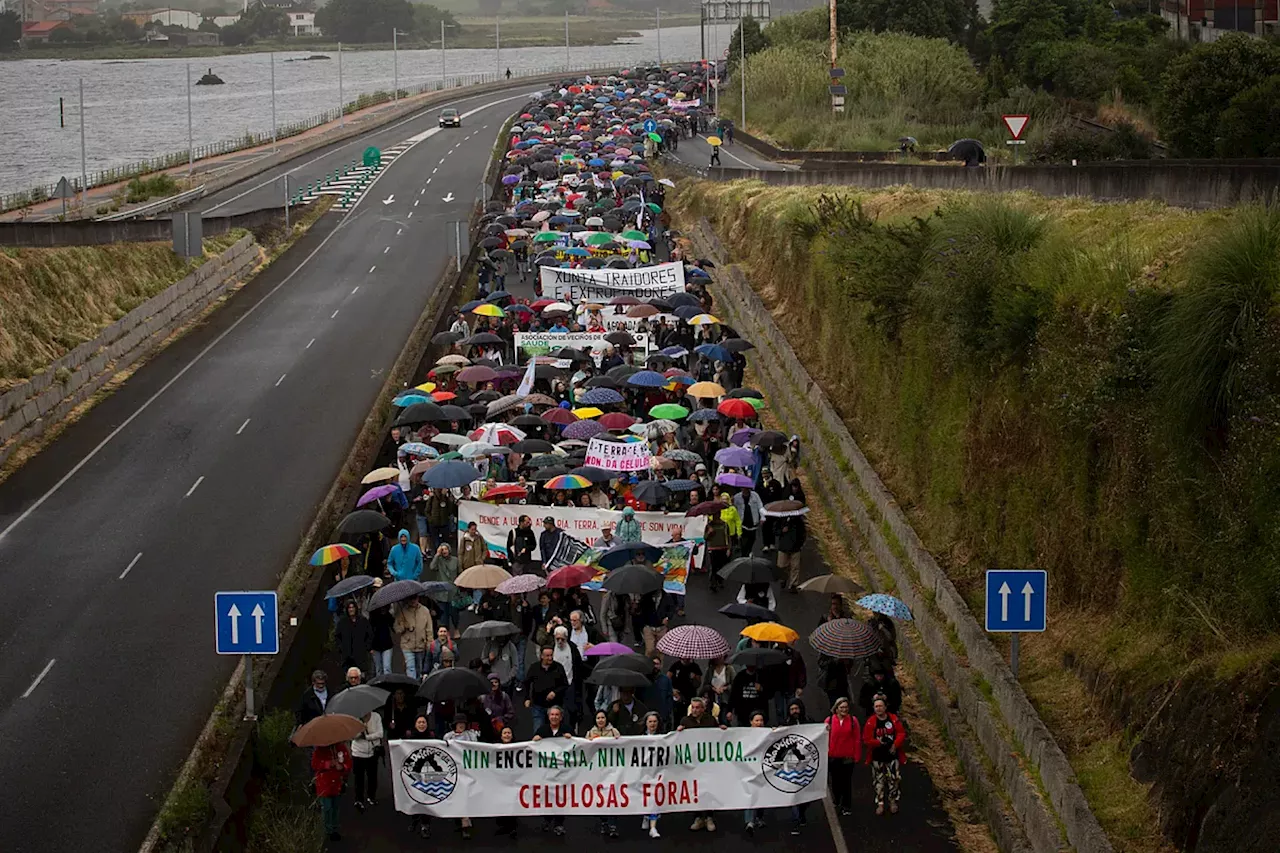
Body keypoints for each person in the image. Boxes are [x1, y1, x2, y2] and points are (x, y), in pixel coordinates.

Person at [677, 697, 725, 831]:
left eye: (698, 707)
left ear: (703, 709)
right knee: (695, 789)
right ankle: (698, 817)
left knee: (709, 788)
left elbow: (718, 736)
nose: (695, 710)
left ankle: (709, 817)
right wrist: (679, 732)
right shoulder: (685, 721)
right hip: (692, 762)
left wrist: (722, 730)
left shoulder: (710, 720)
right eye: (693, 707)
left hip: (708, 761)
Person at [532, 706, 573, 835]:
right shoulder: (542, 730)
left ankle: (559, 824)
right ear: (548, 716)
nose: (554, 717)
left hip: (562, 771)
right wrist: (535, 740)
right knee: (547, 796)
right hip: (547, 771)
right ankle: (547, 820)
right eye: (552, 714)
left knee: (561, 797)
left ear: (561, 717)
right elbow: (533, 748)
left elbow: (578, 747)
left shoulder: (567, 729)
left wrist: (571, 739)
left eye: (557, 715)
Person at [863, 695, 907, 816]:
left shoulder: (893, 719)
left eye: (880, 706)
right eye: (876, 706)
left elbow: (901, 733)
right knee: (879, 780)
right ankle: (880, 803)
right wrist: (878, 743)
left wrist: (895, 745)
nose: (878, 708)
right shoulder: (871, 721)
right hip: (877, 757)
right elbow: (866, 739)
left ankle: (893, 801)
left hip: (892, 756)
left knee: (894, 779)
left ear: (885, 707)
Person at [587, 710, 622, 837]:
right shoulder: (590, 733)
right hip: (598, 772)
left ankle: (613, 825)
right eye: (598, 718)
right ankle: (604, 822)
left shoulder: (614, 732)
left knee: (612, 797)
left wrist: (619, 740)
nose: (600, 720)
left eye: (602, 717)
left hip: (612, 771)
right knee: (600, 798)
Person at [443, 714, 479, 839]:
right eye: (459, 723)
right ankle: (460, 820)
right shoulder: (448, 736)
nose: (461, 725)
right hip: (454, 771)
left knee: (466, 795)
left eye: (463, 723)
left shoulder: (471, 735)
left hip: (468, 770)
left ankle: (465, 823)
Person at [312, 738, 352, 841]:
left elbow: (348, 764)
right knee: (327, 808)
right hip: (324, 785)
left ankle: (334, 829)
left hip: (337, 784)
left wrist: (342, 767)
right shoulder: (319, 750)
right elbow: (314, 764)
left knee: (335, 808)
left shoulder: (341, 748)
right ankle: (327, 831)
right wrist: (328, 764)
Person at [826, 697, 860, 816]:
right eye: (841, 707)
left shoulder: (853, 721)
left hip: (847, 757)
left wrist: (856, 755)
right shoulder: (829, 720)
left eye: (846, 707)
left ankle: (846, 805)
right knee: (835, 781)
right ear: (836, 708)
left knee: (846, 782)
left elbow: (856, 738)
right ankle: (837, 800)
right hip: (833, 757)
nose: (844, 710)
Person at [782, 699, 812, 835]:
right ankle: (795, 821)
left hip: (807, 762)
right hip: (791, 763)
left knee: (808, 792)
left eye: (797, 709)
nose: (795, 711)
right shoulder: (785, 724)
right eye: (792, 709)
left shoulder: (809, 721)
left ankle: (801, 812)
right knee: (794, 792)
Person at [523, 645, 569, 734]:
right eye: (547, 656)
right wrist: (527, 698)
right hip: (538, 705)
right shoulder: (534, 667)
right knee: (538, 731)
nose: (550, 658)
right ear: (542, 656)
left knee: (556, 732)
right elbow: (526, 683)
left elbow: (565, 685)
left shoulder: (559, 667)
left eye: (551, 655)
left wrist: (555, 693)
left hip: (555, 707)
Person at [406, 714, 435, 838]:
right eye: (419, 722)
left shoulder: (432, 737)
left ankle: (425, 824)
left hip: (428, 773)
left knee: (425, 798)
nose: (422, 724)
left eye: (424, 722)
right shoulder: (409, 738)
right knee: (414, 797)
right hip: (414, 773)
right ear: (415, 724)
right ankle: (414, 819)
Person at [351, 709, 384, 812]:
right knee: (359, 778)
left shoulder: (376, 716)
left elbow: (380, 733)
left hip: (373, 752)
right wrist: (361, 731)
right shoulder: (355, 719)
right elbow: (353, 736)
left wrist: (367, 737)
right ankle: (358, 800)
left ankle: (371, 796)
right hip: (358, 753)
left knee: (372, 777)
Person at [637, 711, 664, 837]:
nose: (652, 724)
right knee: (645, 795)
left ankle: (653, 827)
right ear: (646, 723)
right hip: (643, 772)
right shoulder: (639, 738)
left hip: (657, 772)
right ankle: (645, 816)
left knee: (655, 797)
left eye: (655, 721)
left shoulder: (664, 738)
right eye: (650, 722)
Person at [393, 596, 433, 680]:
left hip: (421, 644)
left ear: (418, 599)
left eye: (414, 598)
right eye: (411, 599)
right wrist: (403, 626)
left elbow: (429, 628)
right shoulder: (402, 611)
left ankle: (418, 686)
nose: (413, 601)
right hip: (407, 645)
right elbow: (397, 629)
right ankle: (412, 686)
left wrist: (429, 642)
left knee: (419, 668)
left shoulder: (425, 611)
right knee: (410, 667)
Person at [743, 710, 769, 835]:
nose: (759, 723)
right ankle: (749, 821)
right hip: (748, 768)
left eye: (761, 720)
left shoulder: (768, 733)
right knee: (750, 794)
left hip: (762, 768)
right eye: (756, 720)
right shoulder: (744, 734)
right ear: (751, 722)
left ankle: (759, 818)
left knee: (761, 793)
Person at [335, 600, 373, 674]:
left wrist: (367, 647)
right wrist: (341, 648)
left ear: (356, 608)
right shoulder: (342, 622)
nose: (351, 609)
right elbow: (337, 636)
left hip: (360, 655)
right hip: (347, 656)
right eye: (349, 608)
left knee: (361, 677)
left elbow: (370, 635)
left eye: (353, 607)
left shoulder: (363, 620)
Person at [777, 509, 807, 591]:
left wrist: (800, 544)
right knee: (781, 565)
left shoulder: (799, 521)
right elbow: (775, 530)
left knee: (795, 567)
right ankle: (783, 578)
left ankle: (793, 584)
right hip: (784, 546)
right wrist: (781, 531)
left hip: (795, 547)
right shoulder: (781, 519)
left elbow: (803, 533)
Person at [369, 600, 395, 677]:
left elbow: (394, 627)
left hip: (387, 645)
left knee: (387, 668)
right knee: (378, 669)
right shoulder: (373, 616)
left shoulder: (388, 615)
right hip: (375, 645)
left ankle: (388, 685)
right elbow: (369, 630)